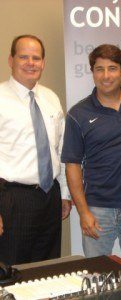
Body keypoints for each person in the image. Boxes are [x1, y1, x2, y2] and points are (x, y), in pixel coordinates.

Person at [61, 44, 121, 271]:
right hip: (97, 211)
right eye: (99, 69)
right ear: (92, 72)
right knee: (97, 278)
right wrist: (83, 212)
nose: (106, 75)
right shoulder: (78, 114)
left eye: (112, 68)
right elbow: (72, 166)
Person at [0, 35, 71, 265]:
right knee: (11, 272)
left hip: (49, 198)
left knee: (47, 270)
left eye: (36, 58)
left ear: (43, 63)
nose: (31, 62)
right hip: (12, 199)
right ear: (11, 60)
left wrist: (63, 195)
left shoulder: (50, 98)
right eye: (23, 57)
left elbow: (60, 149)